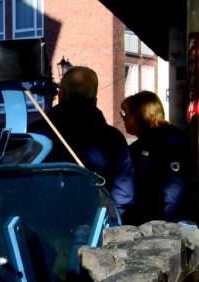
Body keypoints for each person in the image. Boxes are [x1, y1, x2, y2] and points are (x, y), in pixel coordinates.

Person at [30, 66, 135, 215]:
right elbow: (124, 194)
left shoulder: (36, 135)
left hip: (41, 226)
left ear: (62, 95)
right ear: (95, 100)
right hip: (97, 227)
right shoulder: (114, 138)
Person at [120, 91, 196, 224]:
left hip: (166, 225)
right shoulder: (139, 145)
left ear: (139, 114)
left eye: (125, 114)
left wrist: (162, 224)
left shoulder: (171, 140)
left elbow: (176, 187)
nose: (123, 119)